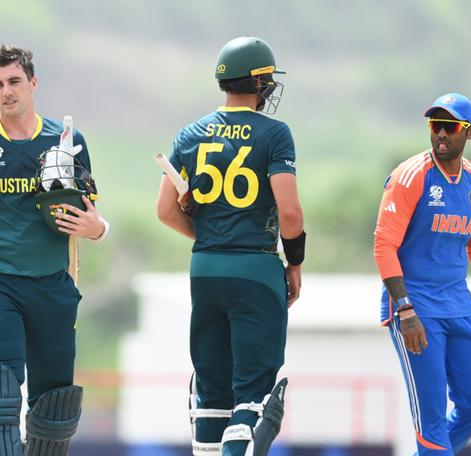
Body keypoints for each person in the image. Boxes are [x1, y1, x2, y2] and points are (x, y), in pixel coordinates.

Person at [0, 45, 109, 455]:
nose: (6, 91)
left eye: (14, 82)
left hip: (52, 285)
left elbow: (91, 216)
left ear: (33, 83)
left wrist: (98, 229)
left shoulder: (66, 141)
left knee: (54, 407)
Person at [156, 36, 304, 456]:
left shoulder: (190, 133)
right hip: (255, 269)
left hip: (204, 271)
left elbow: (166, 210)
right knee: (252, 399)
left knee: (211, 396)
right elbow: (290, 214)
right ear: (259, 83)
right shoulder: (275, 134)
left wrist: (208, 236)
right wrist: (294, 263)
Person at [374, 93, 471, 455]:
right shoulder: (411, 176)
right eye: (434, 125)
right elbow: (383, 245)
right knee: (431, 420)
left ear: (468, 133)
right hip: (416, 309)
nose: (441, 133)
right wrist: (405, 310)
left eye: (450, 126)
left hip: (458, 305)